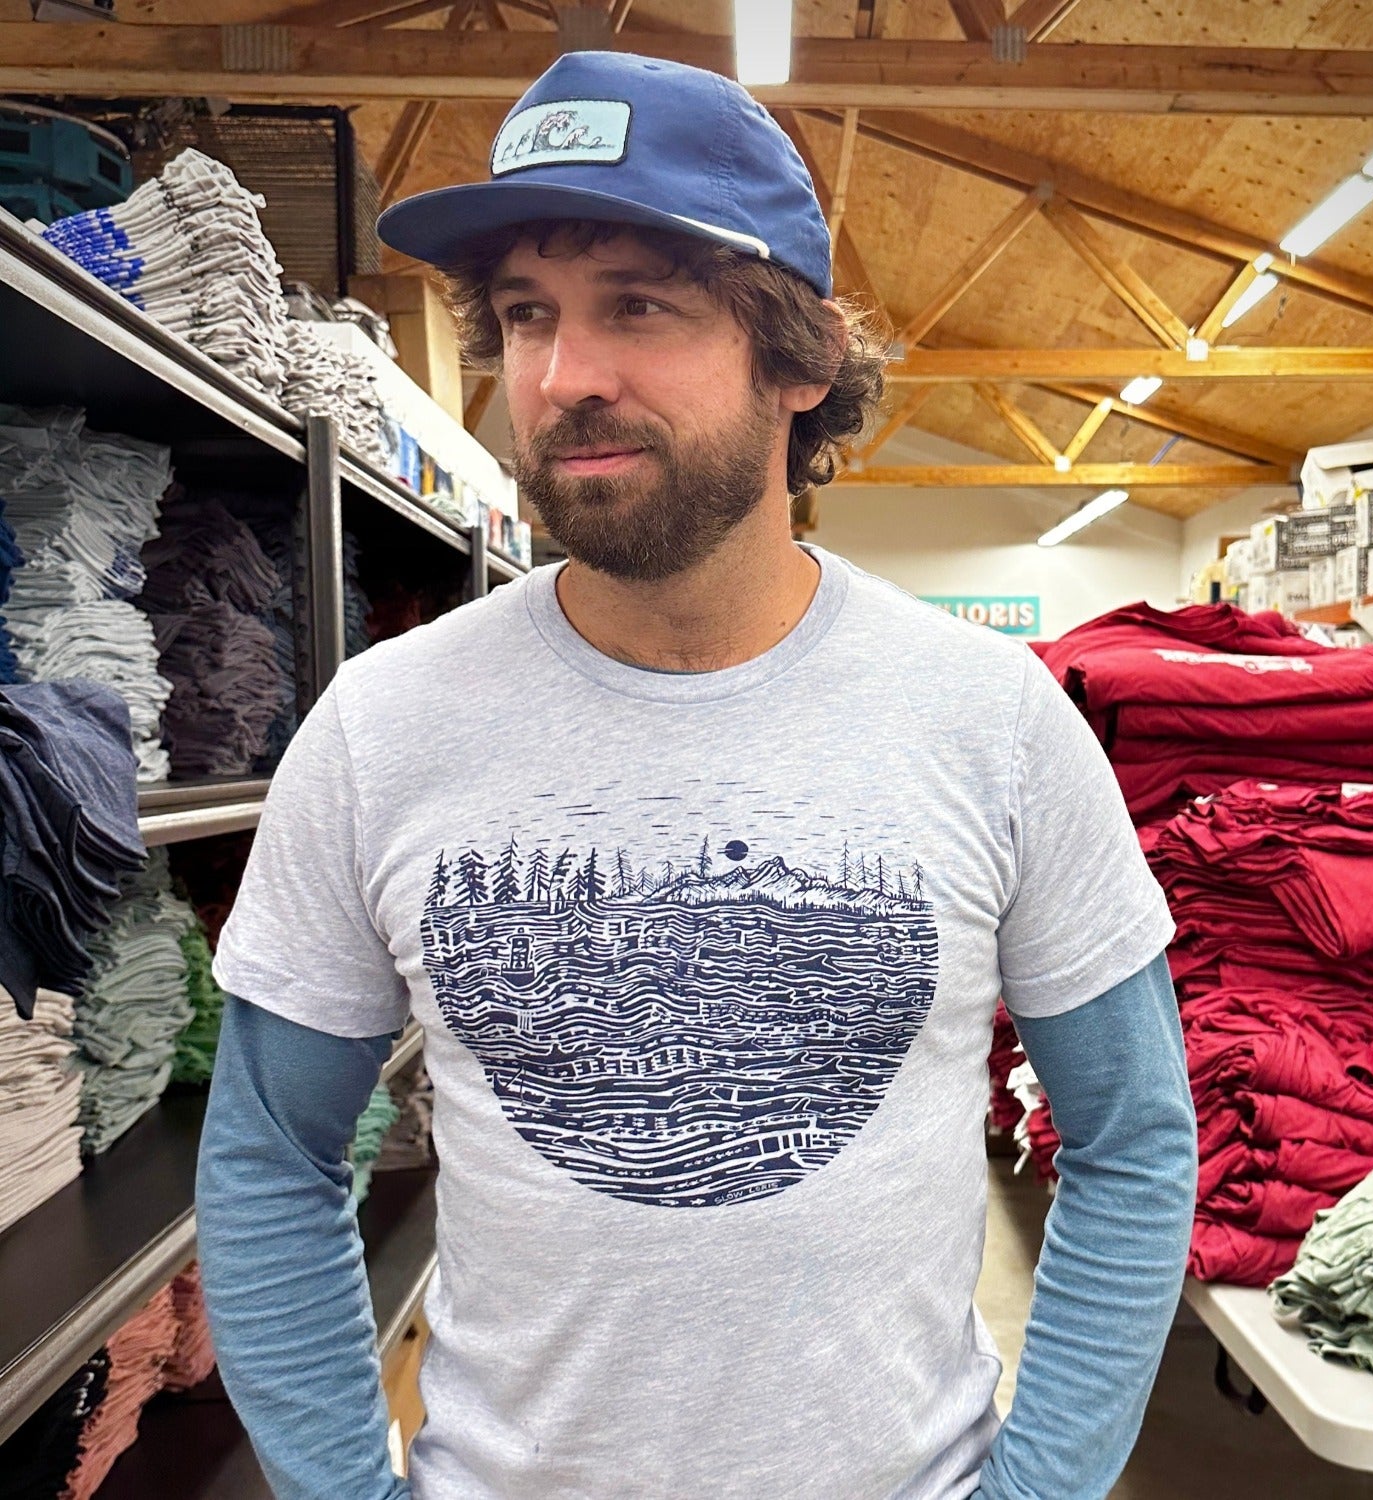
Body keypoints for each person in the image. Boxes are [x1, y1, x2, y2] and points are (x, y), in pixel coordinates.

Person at [196, 50, 1197, 1500]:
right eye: (526, 316)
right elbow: (272, 1159)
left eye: (638, 306)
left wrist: (1041, 1488)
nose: (559, 376)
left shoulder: (993, 721)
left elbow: (1133, 1140)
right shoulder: (381, 726)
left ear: (798, 360)